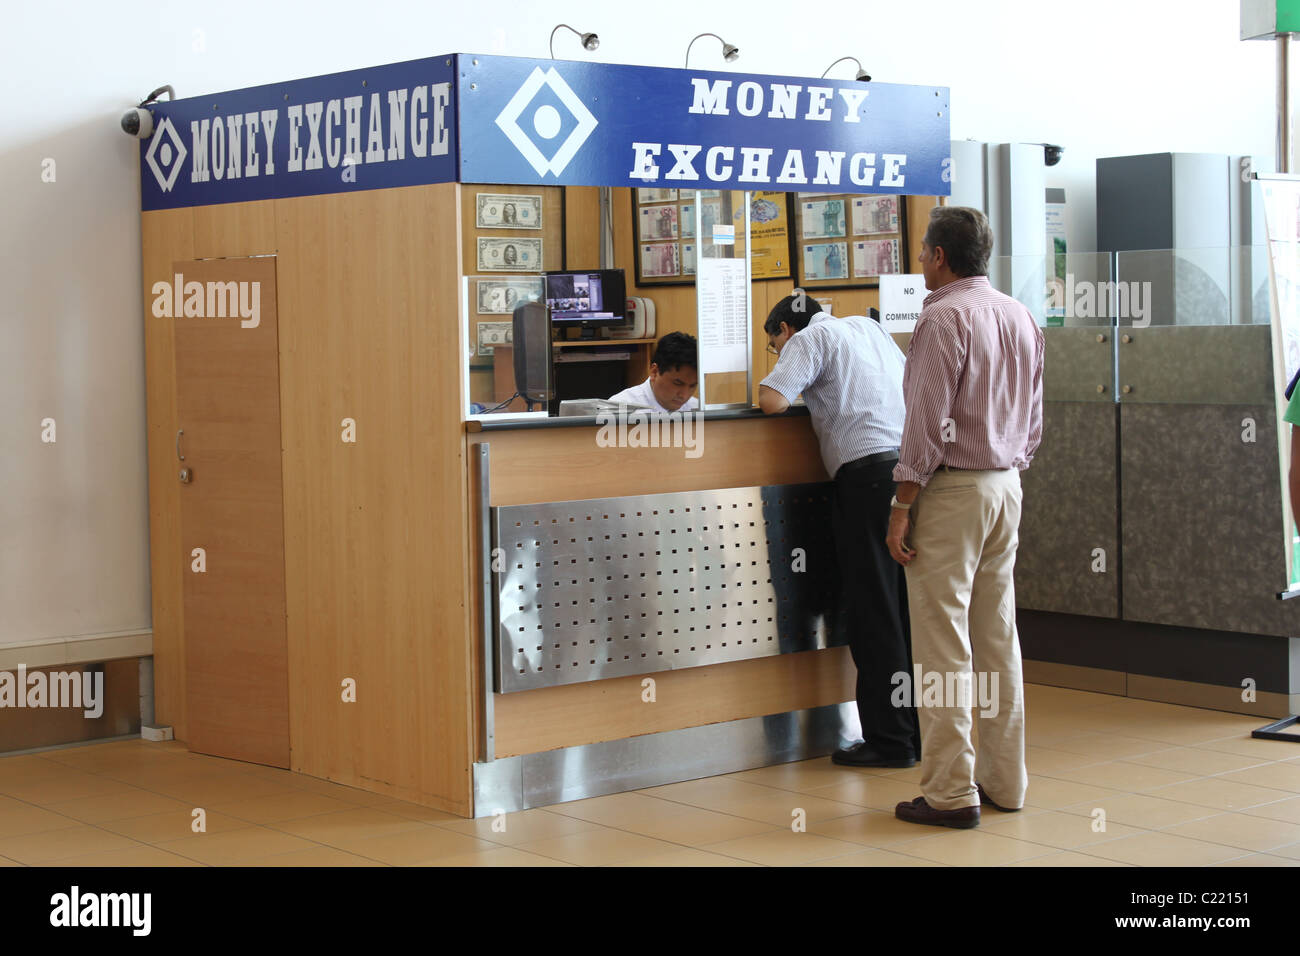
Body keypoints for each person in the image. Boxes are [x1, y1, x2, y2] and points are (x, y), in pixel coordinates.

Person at [887, 206, 1044, 829]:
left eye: (923, 250)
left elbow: (925, 424)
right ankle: (1006, 781)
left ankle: (951, 792)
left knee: (942, 644)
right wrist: (1006, 464)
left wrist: (903, 503)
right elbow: (1032, 419)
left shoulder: (942, 316)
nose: (920, 259)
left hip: (952, 493)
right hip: (1007, 485)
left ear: (938, 257)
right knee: (997, 635)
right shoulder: (1019, 314)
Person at [758, 293, 920, 767]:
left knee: (873, 614)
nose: (779, 350)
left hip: (865, 483)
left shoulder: (809, 337)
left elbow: (771, 401)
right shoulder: (868, 329)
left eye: (774, 344)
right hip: (908, 476)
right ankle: (918, 734)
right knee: (906, 612)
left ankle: (890, 742)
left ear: (785, 330)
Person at [609, 331, 699, 413]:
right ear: (654, 372)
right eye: (677, 383)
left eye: (692, 386)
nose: (684, 395)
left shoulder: (697, 409)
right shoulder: (619, 409)